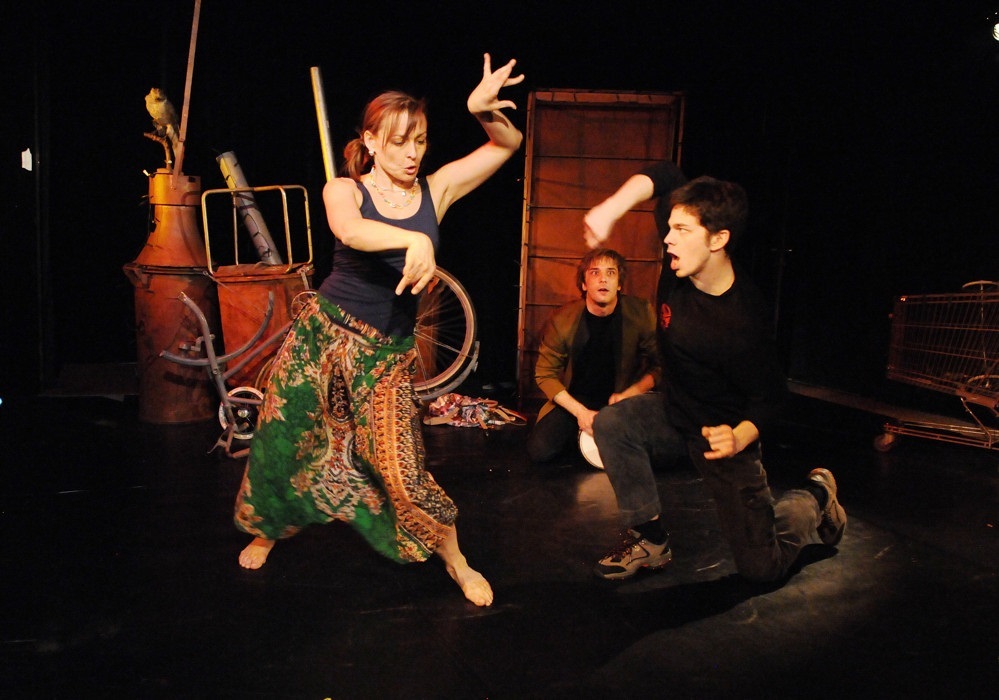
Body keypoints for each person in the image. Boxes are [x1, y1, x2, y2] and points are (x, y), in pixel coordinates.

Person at [233, 53, 525, 607]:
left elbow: (508, 145)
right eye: (399, 142)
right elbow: (350, 230)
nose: (413, 153)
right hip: (324, 340)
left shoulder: (436, 190)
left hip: (386, 356)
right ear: (370, 141)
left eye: (420, 141)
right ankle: (267, 530)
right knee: (285, 441)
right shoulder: (344, 191)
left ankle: (458, 561)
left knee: (403, 467)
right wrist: (413, 239)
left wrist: (482, 111)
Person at [583, 172, 847, 582]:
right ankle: (650, 542)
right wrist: (610, 209)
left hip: (720, 435)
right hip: (674, 413)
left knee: (762, 570)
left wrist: (739, 436)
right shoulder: (681, 260)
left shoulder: (743, 318)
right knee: (613, 423)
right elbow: (665, 173)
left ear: (718, 239)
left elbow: (771, 397)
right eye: (669, 227)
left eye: (681, 230)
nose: (668, 238)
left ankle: (816, 495)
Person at [527, 247, 664, 465]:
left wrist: (632, 393)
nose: (603, 279)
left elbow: (661, 365)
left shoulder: (641, 313)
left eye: (611, 273)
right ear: (584, 284)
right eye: (595, 272)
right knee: (540, 451)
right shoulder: (562, 319)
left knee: (658, 451)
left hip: (623, 399)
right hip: (577, 399)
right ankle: (584, 436)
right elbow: (545, 374)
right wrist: (580, 413)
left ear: (619, 284)